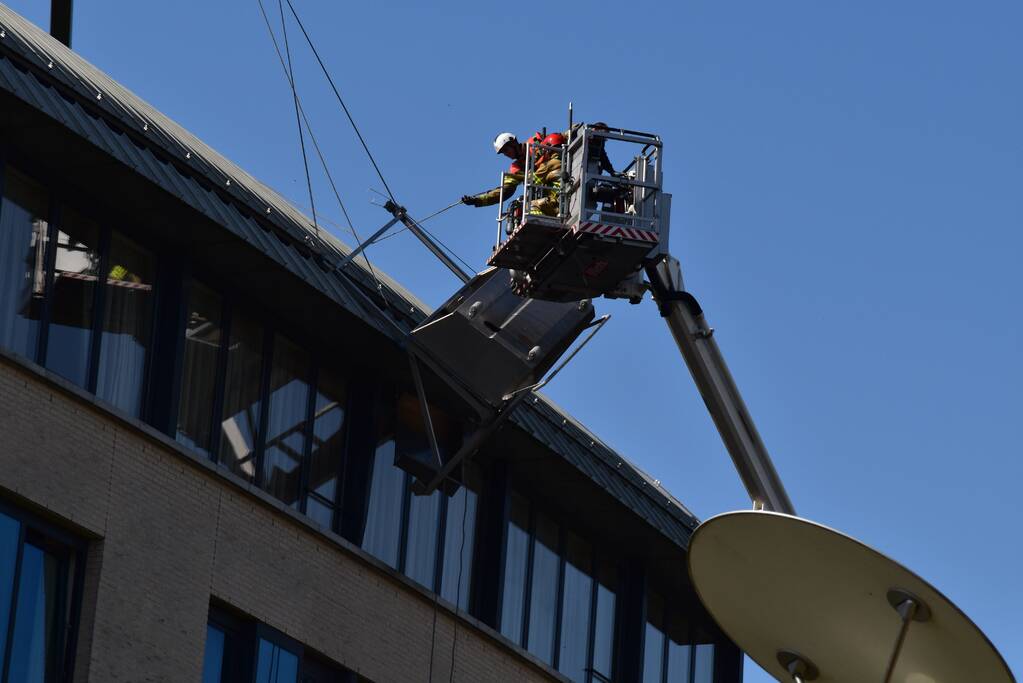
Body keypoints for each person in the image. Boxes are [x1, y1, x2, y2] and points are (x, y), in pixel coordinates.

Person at [461, 130, 565, 216]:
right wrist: (477, 200)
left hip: (561, 182)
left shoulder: (536, 142)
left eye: (506, 150)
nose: (506, 154)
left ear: (513, 143)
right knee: (522, 209)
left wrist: (572, 131)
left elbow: (559, 140)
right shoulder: (517, 168)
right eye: (503, 153)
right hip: (547, 197)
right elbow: (504, 192)